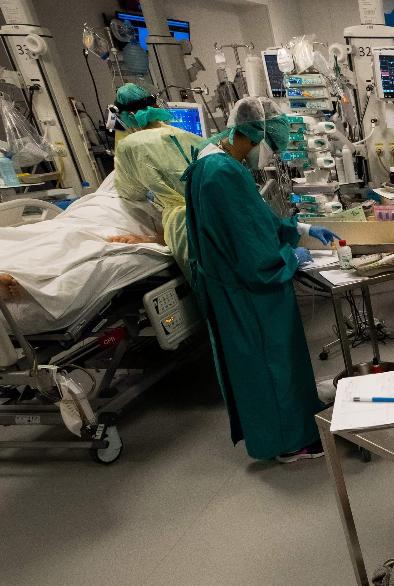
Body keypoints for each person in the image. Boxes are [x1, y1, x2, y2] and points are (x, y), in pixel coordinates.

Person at [182, 97, 340, 463]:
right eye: (266, 147)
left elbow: (252, 221)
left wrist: (301, 228)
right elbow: (252, 253)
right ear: (251, 136)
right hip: (250, 292)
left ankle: (293, 419)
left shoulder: (209, 161)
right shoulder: (223, 174)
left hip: (230, 288)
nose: (266, 157)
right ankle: (289, 442)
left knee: (260, 366)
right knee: (271, 362)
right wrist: (287, 257)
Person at [109, 84, 204, 273]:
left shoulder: (129, 146)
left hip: (185, 229)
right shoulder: (190, 137)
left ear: (127, 116)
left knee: (213, 290)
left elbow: (130, 192)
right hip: (213, 217)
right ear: (155, 107)